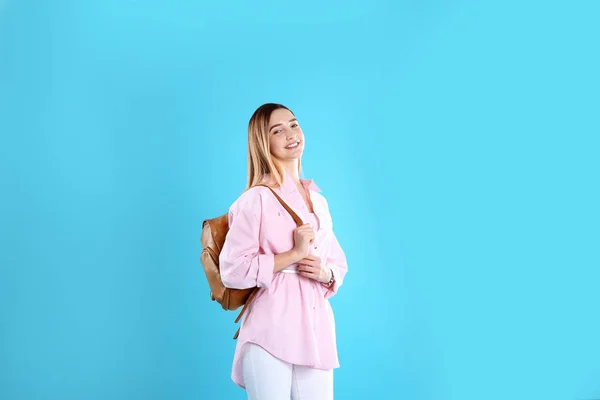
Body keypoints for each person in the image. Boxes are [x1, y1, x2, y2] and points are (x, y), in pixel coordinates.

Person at [218, 103, 348, 400]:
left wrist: (326, 273)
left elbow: (337, 263)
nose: (291, 134)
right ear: (263, 143)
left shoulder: (319, 201)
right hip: (269, 331)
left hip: (316, 331)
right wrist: (293, 254)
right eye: (278, 130)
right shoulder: (255, 200)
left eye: (294, 124)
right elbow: (232, 270)